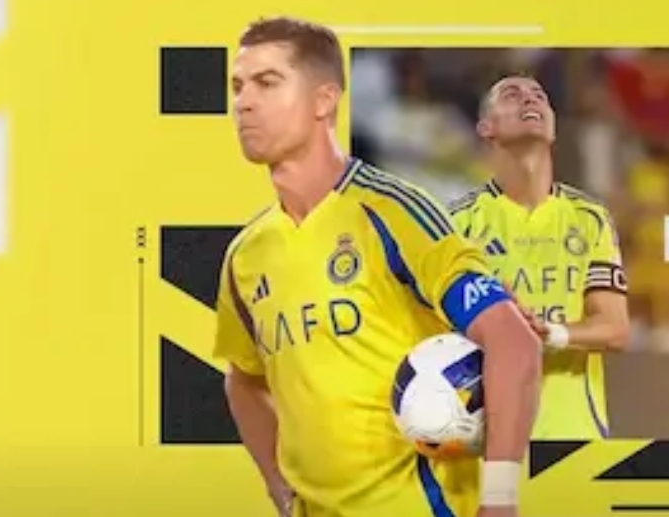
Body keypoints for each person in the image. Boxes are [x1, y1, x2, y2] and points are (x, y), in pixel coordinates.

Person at [214, 17, 541, 517]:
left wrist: (499, 499)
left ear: (324, 101)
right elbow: (243, 379)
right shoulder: (246, 255)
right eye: (237, 86)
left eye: (267, 83)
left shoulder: (392, 213)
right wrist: (280, 490)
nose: (243, 102)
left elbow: (513, 341)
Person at [449, 75, 631, 440]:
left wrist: (551, 333)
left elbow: (615, 329)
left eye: (539, 96)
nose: (529, 100)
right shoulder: (457, 223)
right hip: (488, 437)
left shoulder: (589, 218)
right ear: (486, 127)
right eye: (512, 95)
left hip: (574, 434)